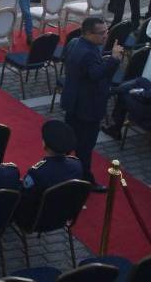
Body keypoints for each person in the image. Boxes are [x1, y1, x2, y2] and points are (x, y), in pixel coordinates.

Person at [61, 16, 123, 192]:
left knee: (68, 141)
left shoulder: (75, 43)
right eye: (102, 33)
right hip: (87, 107)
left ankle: (59, 171)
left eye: (106, 31)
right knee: (85, 147)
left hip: (73, 101)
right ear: (89, 33)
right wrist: (114, 59)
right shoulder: (88, 52)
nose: (106, 36)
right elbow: (96, 75)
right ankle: (85, 180)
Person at [16, 120, 83, 228]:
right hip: (62, 218)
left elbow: (24, 199)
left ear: (44, 143)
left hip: (35, 221)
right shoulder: (76, 165)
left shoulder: (37, 172)